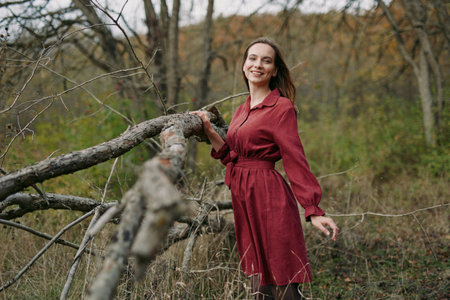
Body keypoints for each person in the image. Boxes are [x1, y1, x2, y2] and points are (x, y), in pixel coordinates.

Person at [191, 37, 338, 300]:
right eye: (253, 58)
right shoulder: (241, 110)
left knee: (281, 276)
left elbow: (295, 159)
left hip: (269, 196)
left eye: (266, 60)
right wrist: (210, 131)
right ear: (244, 65)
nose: (257, 64)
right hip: (244, 198)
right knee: (259, 281)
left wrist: (313, 209)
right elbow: (232, 156)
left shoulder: (281, 108)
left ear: (274, 70)